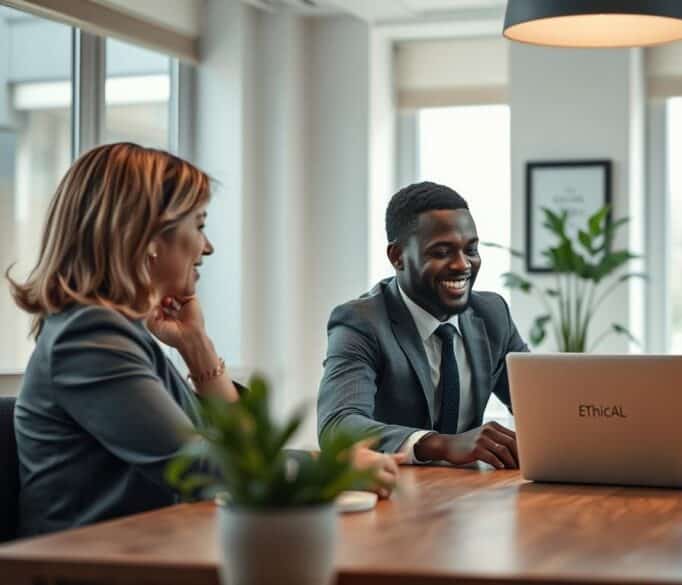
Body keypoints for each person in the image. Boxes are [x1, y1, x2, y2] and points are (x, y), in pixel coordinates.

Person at [8, 143, 401, 538]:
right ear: (146, 237)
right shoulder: (90, 338)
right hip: (89, 566)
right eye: (198, 225)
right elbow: (196, 466)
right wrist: (329, 468)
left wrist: (198, 348)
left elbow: (245, 451)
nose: (207, 246)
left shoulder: (119, 335)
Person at [317, 181, 528, 469]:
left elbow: (539, 406)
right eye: (442, 252)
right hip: (395, 494)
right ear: (397, 257)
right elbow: (338, 425)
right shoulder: (361, 322)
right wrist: (443, 444)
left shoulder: (492, 314)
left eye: (471, 250)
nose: (462, 264)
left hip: (471, 495)